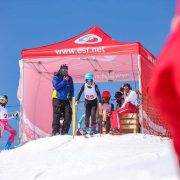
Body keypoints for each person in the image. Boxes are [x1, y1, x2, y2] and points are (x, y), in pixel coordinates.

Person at [52, 64, 74, 135]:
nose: (65, 71)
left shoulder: (69, 78)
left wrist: (71, 97)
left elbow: (72, 89)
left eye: (66, 70)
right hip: (57, 98)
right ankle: (55, 131)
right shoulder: (56, 76)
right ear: (60, 70)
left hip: (65, 99)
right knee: (57, 114)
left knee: (68, 114)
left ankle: (65, 131)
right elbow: (56, 86)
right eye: (63, 70)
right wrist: (64, 81)